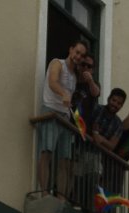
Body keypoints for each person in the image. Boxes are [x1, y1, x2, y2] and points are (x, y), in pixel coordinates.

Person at [38, 39, 88, 196]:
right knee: (46, 152)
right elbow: (53, 82)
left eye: (82, 55)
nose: (78, 56)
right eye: (77, 52)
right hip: (51, 112)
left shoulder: (74, 76)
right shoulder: (57, 63)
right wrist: (64, 93)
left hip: (65, 118)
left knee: (65, 160)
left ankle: (61, 197)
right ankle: (44, 193)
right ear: (71, 49)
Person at [89, 88, 127, 153]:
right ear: (108, 99)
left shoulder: (118, 124)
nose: (115, 104)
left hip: (98, 156)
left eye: (119, 103)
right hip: (81, 146)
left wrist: (101, 139)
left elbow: (112, 146)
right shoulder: (96, 108)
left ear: (121, 106)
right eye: (114, 100)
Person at [71, 52, 101, 125]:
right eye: (83, 64)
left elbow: (96, 93)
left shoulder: (94, 84)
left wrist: (90, 81)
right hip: (69, 122)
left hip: (84, 127)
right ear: (78, 66)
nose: (85, 68)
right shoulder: (71, 81)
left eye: (89, 66)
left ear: (92, 70)